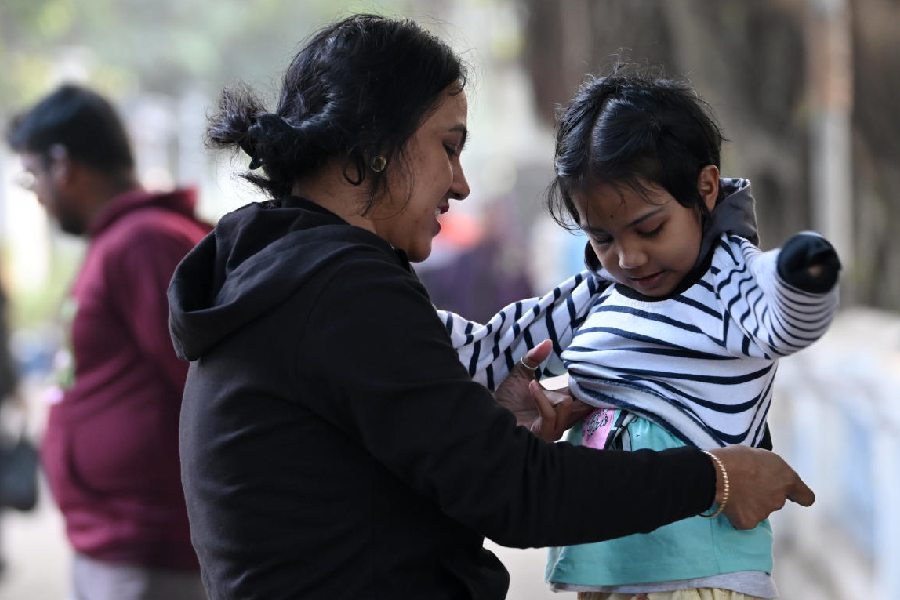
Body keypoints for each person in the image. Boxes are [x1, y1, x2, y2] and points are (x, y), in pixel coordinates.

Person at [167, 15, 815, 600]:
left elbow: (361, 481)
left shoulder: (282, 271)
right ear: (373, 145)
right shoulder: (337, 287)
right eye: (448, 146)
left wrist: (476, 424)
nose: (461, 183)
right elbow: (520, 496)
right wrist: (715, 478)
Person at [444, 70, 841, 600]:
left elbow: (782, 317)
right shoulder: (595, 292)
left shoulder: (730, 279)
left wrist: (804, 274)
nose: (629, 258)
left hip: (702, 579)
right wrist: (401, 322)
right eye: (603, 237)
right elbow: (496, 344)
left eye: (650, 229)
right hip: (602, 573)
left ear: (705, 188)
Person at [6, 84, 210, 600]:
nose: (36, 194)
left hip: (150, 548)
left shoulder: (145, 242)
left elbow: (206, 387)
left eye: (32, 175)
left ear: (63, 165)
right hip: (123, 545)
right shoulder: (121, 240)